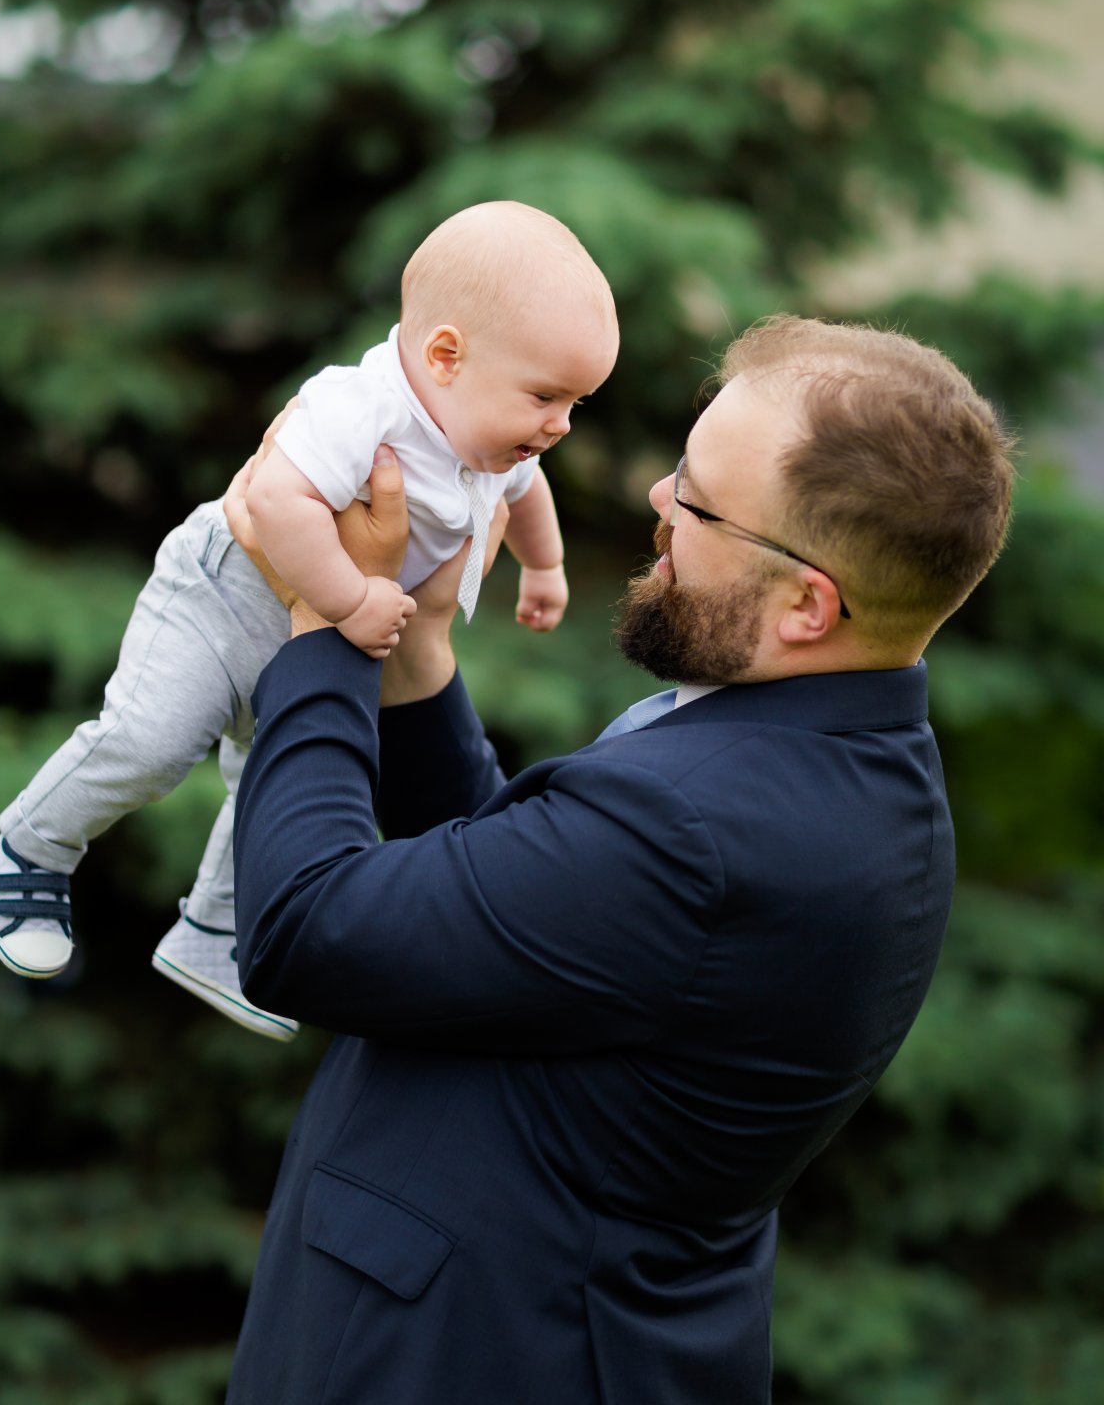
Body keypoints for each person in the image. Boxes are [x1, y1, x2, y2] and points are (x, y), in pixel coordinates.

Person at [221, 314, 1015, 1403]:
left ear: (806, 605)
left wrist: (325, 623)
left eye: (695, 502)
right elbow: (531, 914)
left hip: (472, 1360)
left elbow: (302, 928)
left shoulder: (706, 828)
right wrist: (418, 656)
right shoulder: (842, 760)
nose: (656, 504)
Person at [0, 201, 619, 1041]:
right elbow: (276, 501)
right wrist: (349, 602)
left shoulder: (490, 440)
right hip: (224, 602)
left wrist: (544, 565)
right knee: (151, 742)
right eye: (546, 396)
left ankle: (212, 935)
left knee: (266, 788)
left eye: (575, 403)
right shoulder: (361, 407)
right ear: (446, 356)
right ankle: (32, 847)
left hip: (329, 638)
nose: (559, 425)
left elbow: (527, 493)